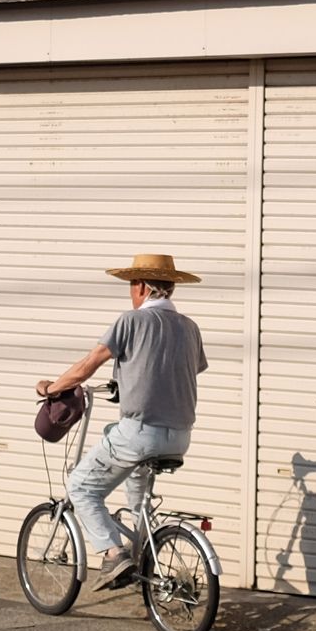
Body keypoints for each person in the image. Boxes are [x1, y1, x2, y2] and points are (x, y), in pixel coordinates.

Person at [37, 253, 208, 590]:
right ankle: (141, 546)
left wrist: (51, 387)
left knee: (81, 487)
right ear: (170, 288)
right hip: (180, 435)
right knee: (129, 469)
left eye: (132, 285)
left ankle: (114, 553)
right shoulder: (190, 327)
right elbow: (187, 369)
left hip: (140, 431)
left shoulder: (130, 321)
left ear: (142, 286)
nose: (130, 292)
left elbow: (89, 364)